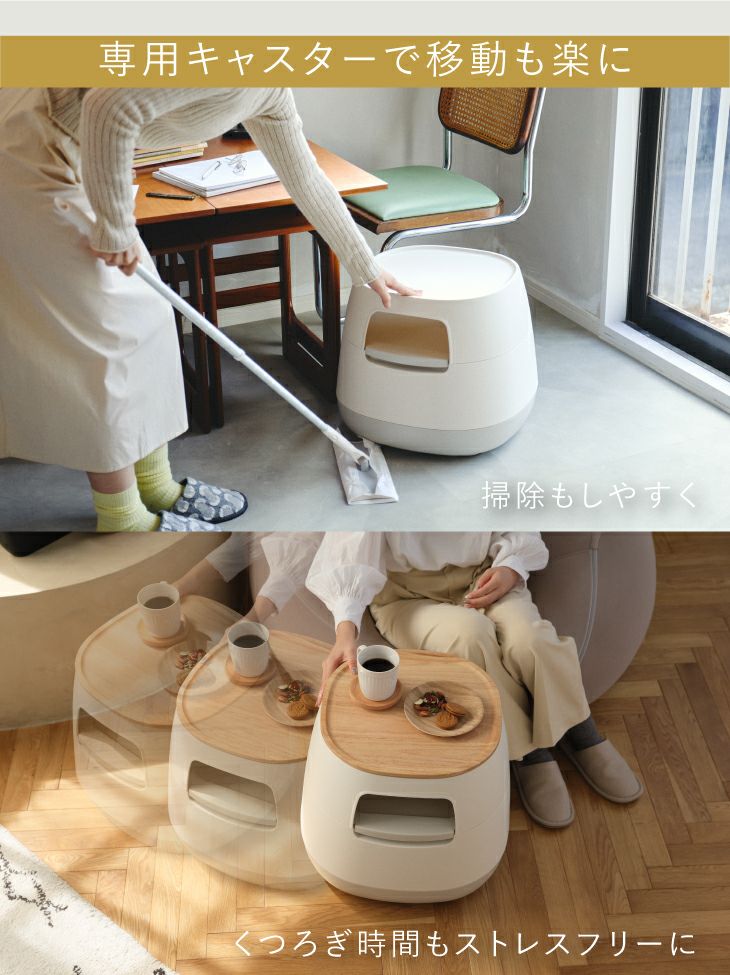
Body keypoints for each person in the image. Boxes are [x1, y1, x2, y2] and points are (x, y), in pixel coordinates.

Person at [0, 89, 416, 532]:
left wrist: (364, 265)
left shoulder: (271, 85)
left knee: (149, 316)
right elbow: (107, 107)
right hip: (33, 147)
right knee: (105, 341)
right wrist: (116, 226)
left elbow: (305, 177)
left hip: (84, 152)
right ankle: (123, 519)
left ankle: (156, 487)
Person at [306, 531, 643, 829]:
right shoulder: (378, 483)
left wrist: (511, 567)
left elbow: (513, 511)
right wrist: (345, 631)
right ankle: (527, 754)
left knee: (532, 641)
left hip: (484, 574)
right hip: (406, 596)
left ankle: (581, 731)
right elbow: (350, 542)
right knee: (469, 637)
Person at [175, 531, 323, 625]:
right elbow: (253, 537)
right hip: (276, 591)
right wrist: (189, 581)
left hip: (313, 610)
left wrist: (252, 619)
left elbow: (303, 548)